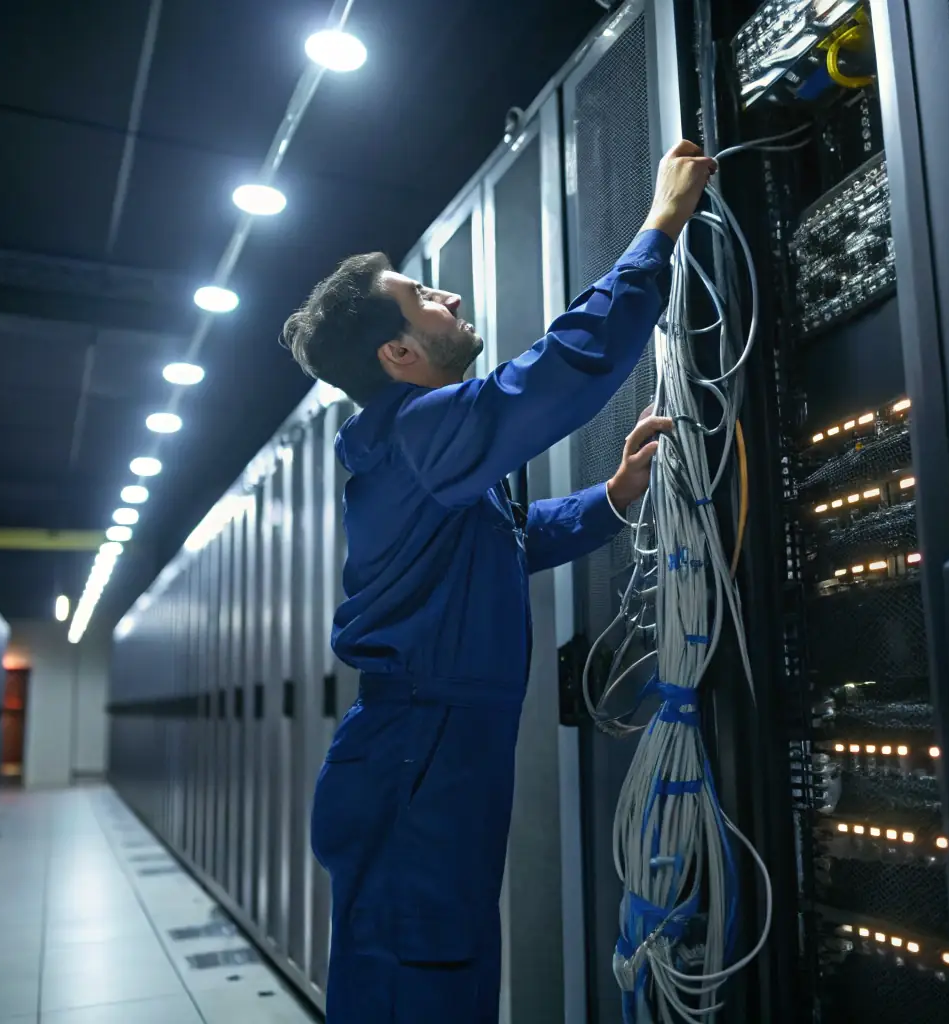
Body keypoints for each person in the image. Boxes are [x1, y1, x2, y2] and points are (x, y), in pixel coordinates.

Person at [280, 140, 716, 1023]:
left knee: (447, 963)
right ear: (400, 355)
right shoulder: (420, 432)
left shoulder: (423, 447)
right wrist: (660, 224)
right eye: (421, 299)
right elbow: (559, 373)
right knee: (421, 978)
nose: (445, 296)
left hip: (431, 746)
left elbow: (501, 544)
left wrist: (610, 496)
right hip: (417, 752)